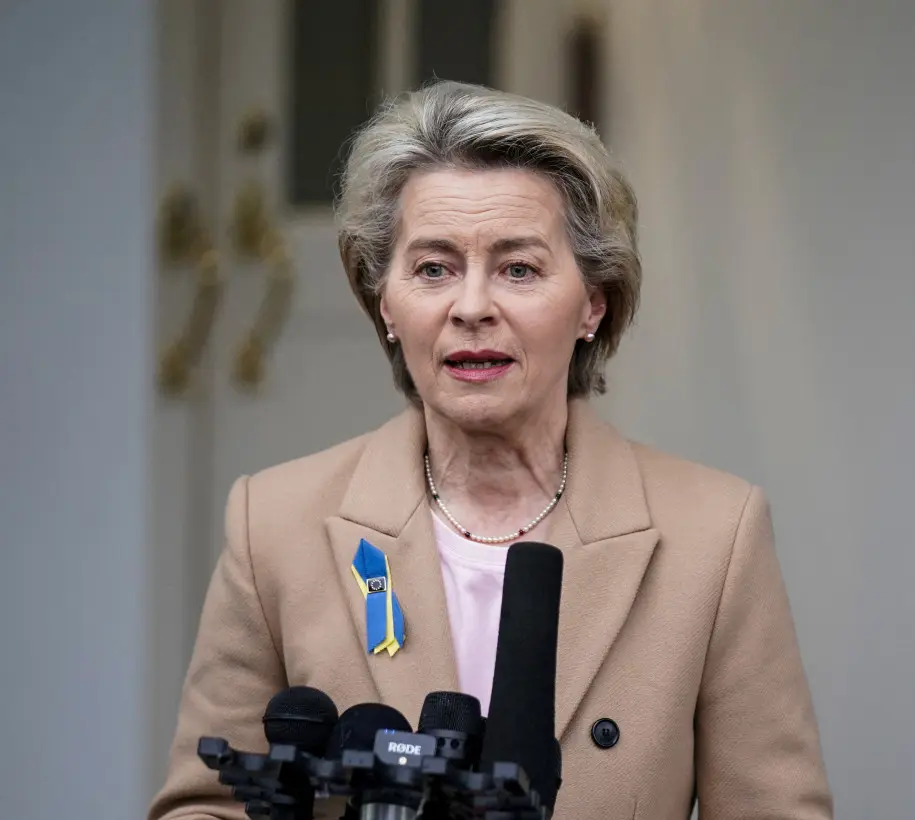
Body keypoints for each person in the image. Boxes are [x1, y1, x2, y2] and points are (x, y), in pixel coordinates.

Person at [148, 80, 832, 820]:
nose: (472, 307)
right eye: (434, 268)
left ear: (592, 304)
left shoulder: (715, 535)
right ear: (385, 301)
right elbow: (203, 807)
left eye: (519, 269)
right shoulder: (273, 523)